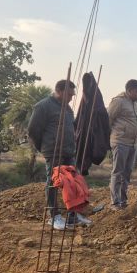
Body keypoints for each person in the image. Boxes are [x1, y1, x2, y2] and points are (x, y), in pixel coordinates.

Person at [27, 79, 91, 230]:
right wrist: (44, 147)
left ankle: (72, 215)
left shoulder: (67, 108)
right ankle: (54, 216)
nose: (71, 97)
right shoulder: (43, 106)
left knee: (73, 182)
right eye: (69, 94)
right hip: (53, 150)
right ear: (60, 91)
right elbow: (33, 130)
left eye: (72, 95)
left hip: (68, 150)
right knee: (53, 182)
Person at [107, 79, 137, 209]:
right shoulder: (118, 101)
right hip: (120, 142)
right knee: (117, 172)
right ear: (129, 90)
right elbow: (108, 119)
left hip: (132, 144)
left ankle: (123, 200)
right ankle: (115, 202)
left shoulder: (134, 104)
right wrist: (113, 137)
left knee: (126, 173)